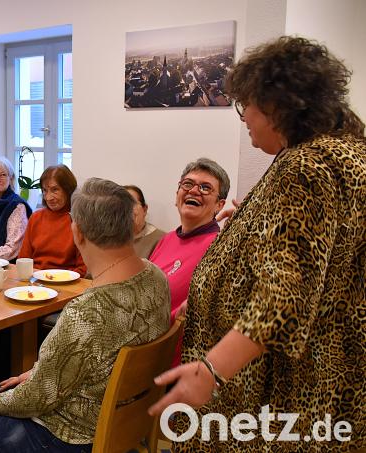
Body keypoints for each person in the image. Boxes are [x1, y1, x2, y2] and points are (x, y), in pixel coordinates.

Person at [149, 36, 366, 452]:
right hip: (335, 369)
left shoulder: (306, 166)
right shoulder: (344, 153)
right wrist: (252, 220)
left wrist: (211, 370)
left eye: (246, 104)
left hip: (287, 387)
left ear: (277, 104)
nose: (244, 116)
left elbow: (285, 297)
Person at [0, 178, 170, 452]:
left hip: (71, 434)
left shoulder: (86, 311)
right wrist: (39, 370)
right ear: (130, 224)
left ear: (77, 232)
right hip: (126, 414)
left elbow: (39, 396)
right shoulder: (154, 276)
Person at [148, 158, 229, 323]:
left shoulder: (221, 247)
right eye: (187, 184)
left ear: (219, 205)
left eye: (205, 188)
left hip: (172, 346)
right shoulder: (166, 239)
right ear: (177, 195)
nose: (194, 191)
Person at [18, 165, 86, 276]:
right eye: (45, 190)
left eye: (55, 190)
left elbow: (83, 268)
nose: (48, 197)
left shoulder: (79, 220)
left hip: (67, 282)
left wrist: (57, 279)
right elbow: (23, 260)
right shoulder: (36, 218)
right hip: (35, 280)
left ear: (68, 190)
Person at [123, 185, 165, 258]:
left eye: (131, 203)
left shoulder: (162, 240)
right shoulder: (108, 240)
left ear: (144, 209)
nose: (126, 209)